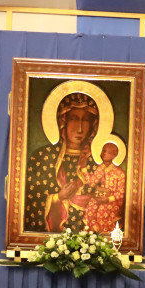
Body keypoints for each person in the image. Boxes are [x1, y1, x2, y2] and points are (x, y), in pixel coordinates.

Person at [23, 92, 100, 233]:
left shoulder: (96, 164)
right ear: (63, 121)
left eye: (86, 120)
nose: (80, 128)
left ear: (93, 125)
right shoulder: (42, 158)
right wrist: (57, 198)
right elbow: (30, 202)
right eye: (74, 119)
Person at [80, 141, 127, 234]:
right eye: (103, 151)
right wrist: (84, 168)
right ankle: (92, 235)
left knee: (102, 210)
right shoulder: (100, 168)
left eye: (108, 152)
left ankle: (105, 237)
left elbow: (120, 193)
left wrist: (107, 199)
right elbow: (91, 183)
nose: (104, 154)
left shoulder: (119, 172)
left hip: (112, 201)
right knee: (91, 206)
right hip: (100, 197)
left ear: (114, 155)